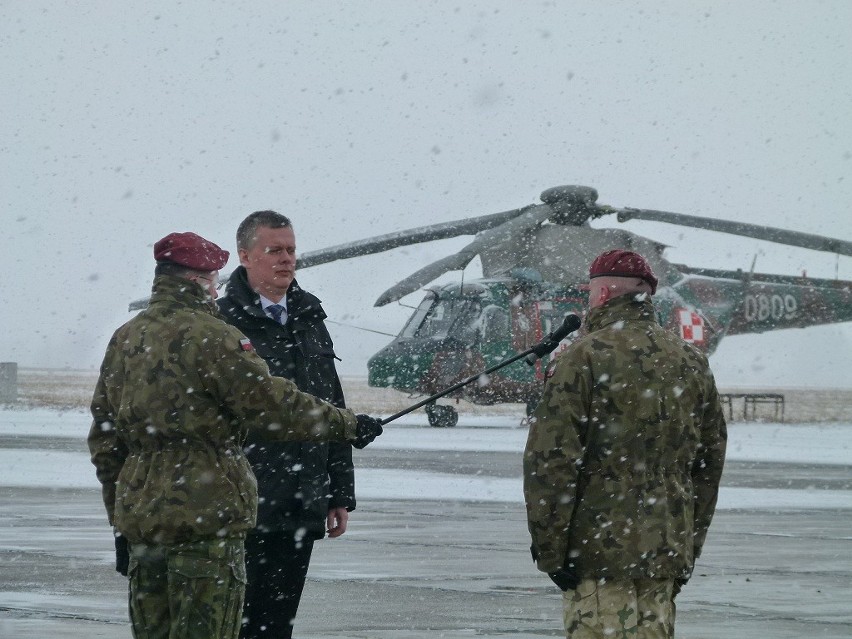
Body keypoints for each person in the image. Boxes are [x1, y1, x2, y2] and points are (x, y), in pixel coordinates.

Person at [88, 231, 383, 639]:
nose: (216, 289)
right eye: (212, 279)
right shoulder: (214, 335)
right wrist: (347, 425)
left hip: (143, 522)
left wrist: (120, 523)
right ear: (196, 281)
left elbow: (105, 442)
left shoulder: (125, 338)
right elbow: (272, 404)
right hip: (206, 519)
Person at [523, 249, 727, 639]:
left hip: (597, 554)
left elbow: (551, 461)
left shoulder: (583, 356)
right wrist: (687, 548)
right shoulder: (690, 360)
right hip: (666, 551)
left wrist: (550, 549)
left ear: (600, 295)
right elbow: (709, 464)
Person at [216, 211, 352, 638]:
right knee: (235, 621)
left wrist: (339, 491)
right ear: (245, 255)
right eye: (274, 250)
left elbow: (331, 405)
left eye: (291, 250)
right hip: (243, 499)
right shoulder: (221, 323)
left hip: (302, 498)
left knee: (278, 624)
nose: (286, 259)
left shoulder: (311, 318)